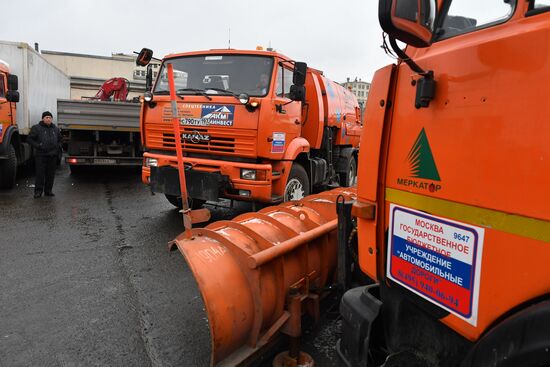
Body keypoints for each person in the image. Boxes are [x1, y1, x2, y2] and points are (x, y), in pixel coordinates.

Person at [27, 111, 63, 198]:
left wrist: (58, 147)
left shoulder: (55, 129)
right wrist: (38, 145)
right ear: (43, 118)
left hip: (52, 155)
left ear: (52, 119)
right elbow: (29, 139)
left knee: (50, 175)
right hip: (41, 155)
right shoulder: (37, 128)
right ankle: (38, 192)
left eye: (50, 118)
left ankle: (48, 191)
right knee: (40, 174)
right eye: (46, 117)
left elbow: (60, 139)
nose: (48, 119)